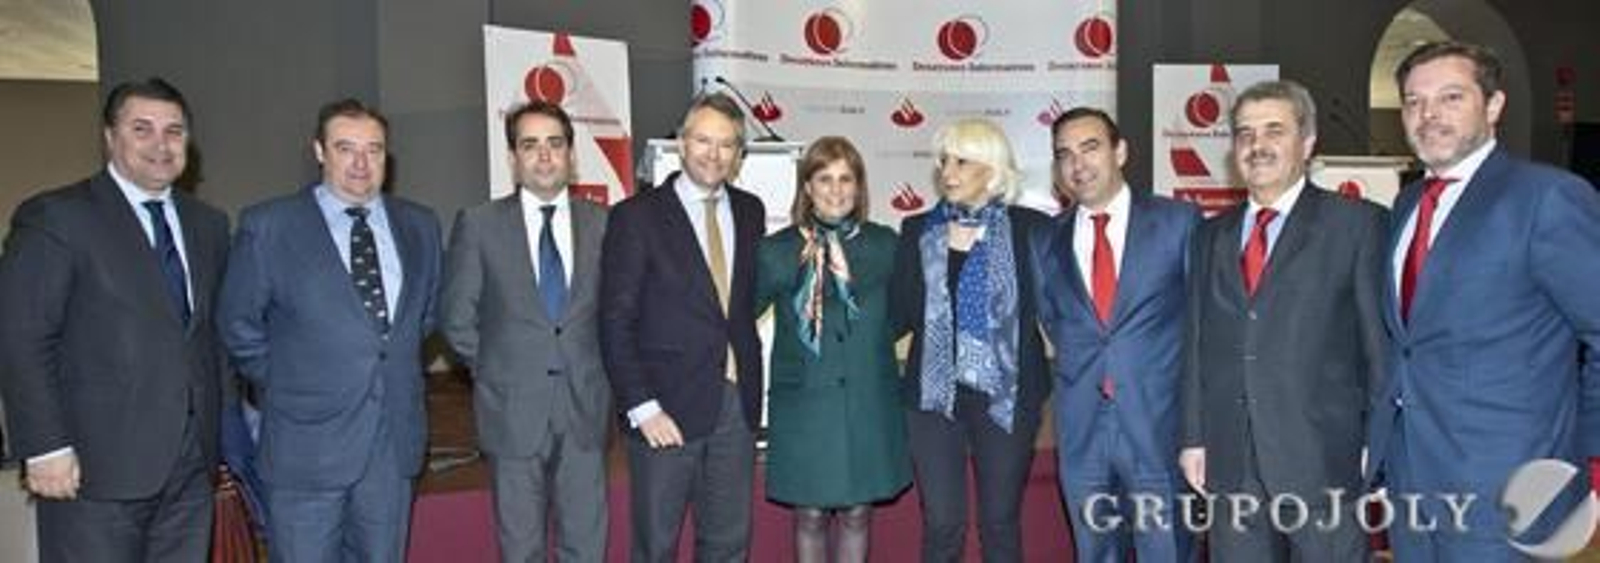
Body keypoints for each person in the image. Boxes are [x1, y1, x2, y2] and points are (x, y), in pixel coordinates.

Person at [1366, 40, 1600, 560]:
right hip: (1413, 483)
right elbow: (1409, 345)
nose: (1428, 115)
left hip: (1512, 488)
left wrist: (1584, 458)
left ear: (1493, 106)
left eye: (1451, 97)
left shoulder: (1546, 198)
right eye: (1413, 101)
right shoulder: (1406, 204)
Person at [0, 77, 231, 562]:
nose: (161, 145)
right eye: (142, 128)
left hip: (189, 467)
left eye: (174, 131)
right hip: (92, 469)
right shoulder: (57, 217)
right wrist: (44, 447)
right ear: (110, 137)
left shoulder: (207, 225)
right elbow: (20, 336)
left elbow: (207, 340)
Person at [217, 98, 443, 562]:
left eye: (374, 150)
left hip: (390, 450)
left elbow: (421, 320)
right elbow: (237, 325)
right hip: (306, 448)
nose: (361, 163)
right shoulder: (270, 226)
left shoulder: (419, 225)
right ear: (320, 151)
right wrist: (294, 382)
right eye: (346, 148)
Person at [1179, 79, 1387, 562]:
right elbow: (1196, 342)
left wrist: (1375, 450)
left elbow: (1379, 349)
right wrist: (1193, 436)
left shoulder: (1357, 225)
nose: (1257, 145)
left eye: (1274, 130)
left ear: (1308, 142)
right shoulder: (1210, 235)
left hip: (1325, 459)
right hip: (1231, 461)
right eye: (1245, 133)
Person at [439, 100, 611, 562]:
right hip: (512, 412)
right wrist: (501, 372)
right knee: (521, 550)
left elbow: (616, 317)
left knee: (586, 547)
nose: (544, 155)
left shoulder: (603, 225)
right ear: (513, 158)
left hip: (584, 410)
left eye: (555, 144)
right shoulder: (478, 225)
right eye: (530, 145)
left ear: (572, 156)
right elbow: (456, 318)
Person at [600, 92, 766, 562]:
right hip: (664, 411)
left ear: (738, 155)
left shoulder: (751, 212)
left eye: (727, 144)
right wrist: (642, 407)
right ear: (681, 143)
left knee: (728, 544)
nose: (713, 154)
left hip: (736, 404)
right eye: (703, 140)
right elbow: (615, 320)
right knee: (656, 545)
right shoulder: (637, 216)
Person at [1032, 107, 1198, 562]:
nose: (1077, 164)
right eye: (1064, 154)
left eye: (1090, 148)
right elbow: (1056, 321)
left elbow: (1202, 330)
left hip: (1159, 431)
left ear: (1120, 151)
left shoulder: (1178, 223)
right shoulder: (1046, 241)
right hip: (1083, 433)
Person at [890, 118, 1051, 562]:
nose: (949, 170)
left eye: (962, 161)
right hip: (933, 396)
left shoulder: (1032, 229)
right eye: (944, 160)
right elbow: (897, 316)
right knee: (942, 523)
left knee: (999, 522)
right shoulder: (917, 229)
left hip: (1007, 396)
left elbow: (1060, 311)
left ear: (993, 169)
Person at [754, 137, 911, 563]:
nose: (836, 189)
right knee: (809, 515)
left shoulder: (885, 245)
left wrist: (867, 347)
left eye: (846, 178)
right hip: (804, 405)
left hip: (867, 401)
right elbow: (738, 319)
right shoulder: (776, 251)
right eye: (824, 178)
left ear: (859, 187)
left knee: (859, 513)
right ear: (807, 187)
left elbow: (906, 311)